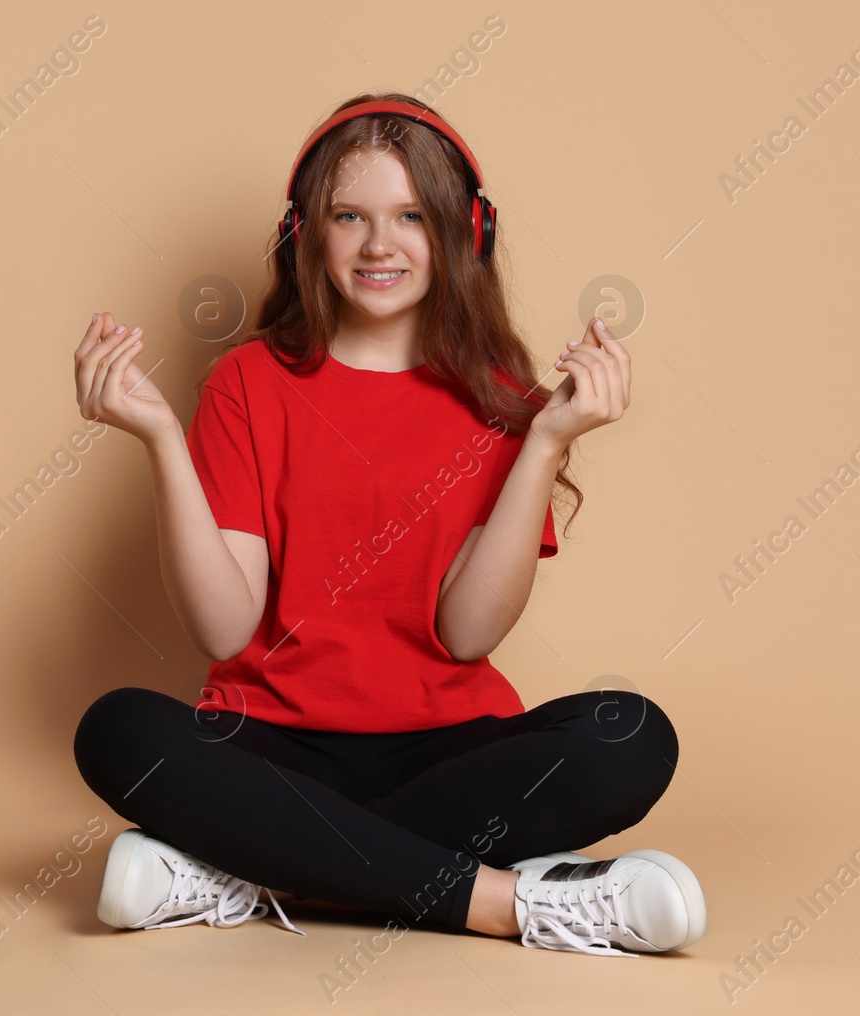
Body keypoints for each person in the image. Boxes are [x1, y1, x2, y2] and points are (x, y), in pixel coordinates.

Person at [69, 92, 705, 958]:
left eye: (412, 215)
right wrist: (160, 438)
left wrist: (548, 440)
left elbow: (468, 632)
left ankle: (251, 872)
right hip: (271, 750)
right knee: (119, 730)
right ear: (307, 235)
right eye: (349, 216)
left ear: (461, 234)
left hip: (449, 755)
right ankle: (515, 905)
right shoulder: (247, 385)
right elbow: (224, 624)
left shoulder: (506, 403)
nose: (379, 244)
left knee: (632, 736)